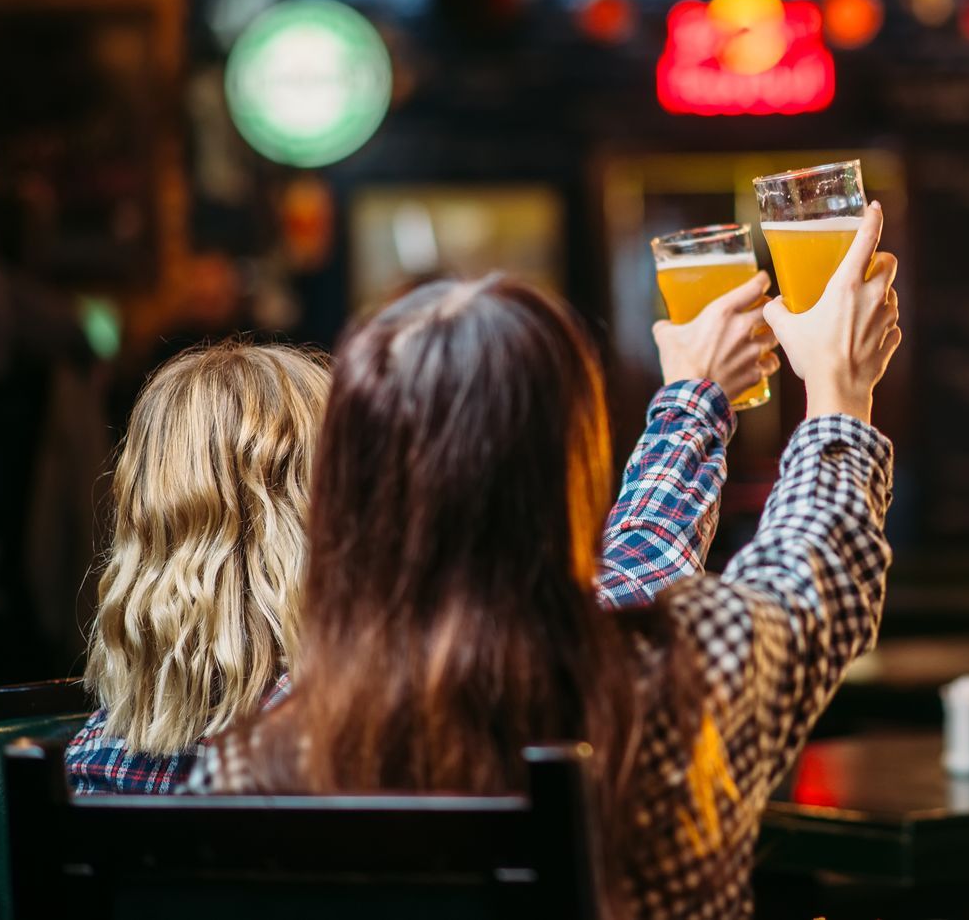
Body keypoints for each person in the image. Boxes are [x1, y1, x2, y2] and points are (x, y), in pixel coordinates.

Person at [197, 205, 902, 920]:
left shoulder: (250, 758)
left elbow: (644, 567)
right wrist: (838, 392)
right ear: (569, 470)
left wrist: (694, 401)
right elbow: (815, 572)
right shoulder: (676, 675)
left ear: (348, 486)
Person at [68, 268, 781, 794]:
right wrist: (694, 398)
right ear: (335, 503)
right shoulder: (365, 736)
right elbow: (626, 588)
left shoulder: (88, 764)